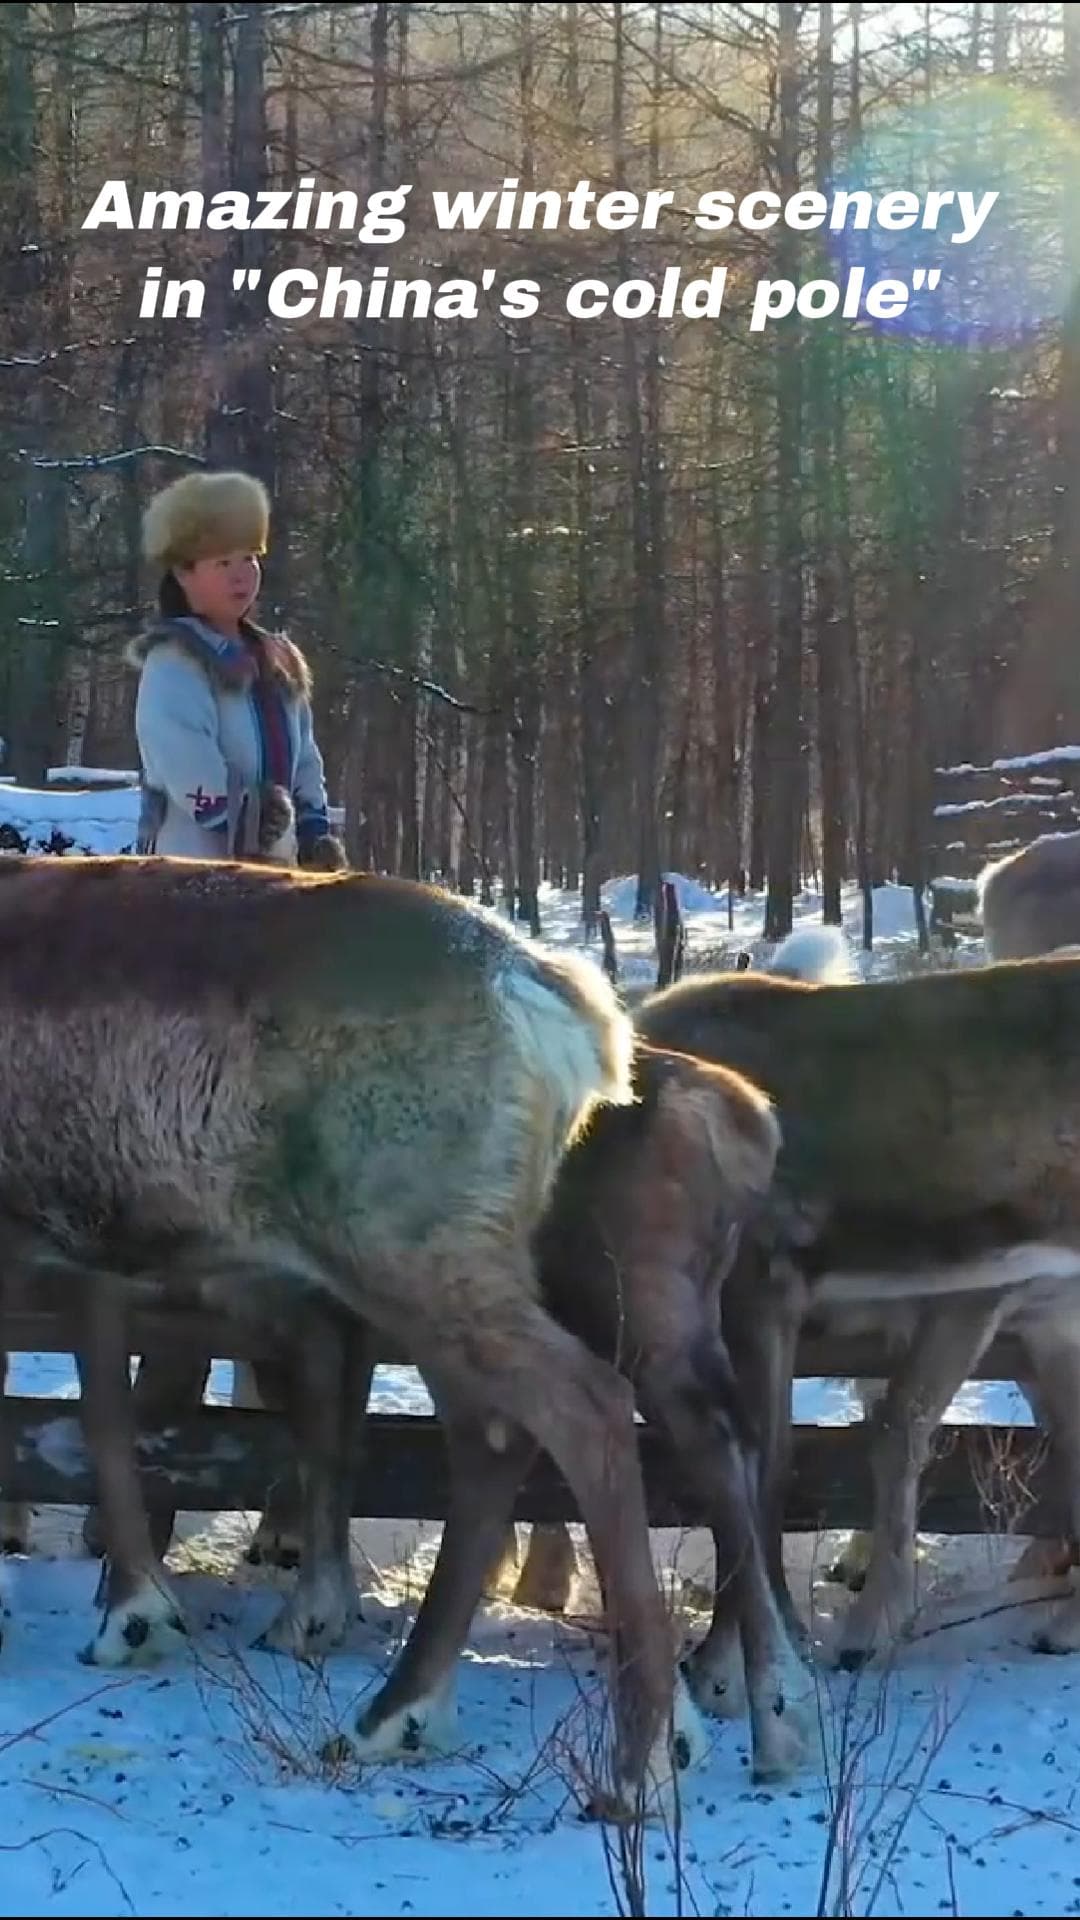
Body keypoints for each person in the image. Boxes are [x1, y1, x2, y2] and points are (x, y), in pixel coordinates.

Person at [127, 468, 346, 870]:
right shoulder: (174, 662)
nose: (241, 574)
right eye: (223, 562)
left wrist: (313, 829)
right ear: (183, 573)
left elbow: (305, 759)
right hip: (189, 877)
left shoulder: (278, 662)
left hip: (277, 877)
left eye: (249, 558)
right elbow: (185, 761)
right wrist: (250, 816)